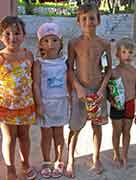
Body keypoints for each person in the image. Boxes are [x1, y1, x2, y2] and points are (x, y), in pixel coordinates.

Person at [65, 3, 112, 178]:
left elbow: (108, 70)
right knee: (75, 127)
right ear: (78, 21)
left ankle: (96, 157)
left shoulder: (104, 44)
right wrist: (77, 88)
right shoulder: (74, 43)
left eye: (92, 18)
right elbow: (69, 68)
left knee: (97, 126)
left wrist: (101, 89)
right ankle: (70, 159)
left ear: (98, 20)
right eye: (84, 19)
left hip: (98, 91)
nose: (88, 22)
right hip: (80, 92)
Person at [0, 16, 37, 180]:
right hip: (5, 107)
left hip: (26, 105)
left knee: (24, 136)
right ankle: (10, 168)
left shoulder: (29, 55)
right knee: (9, 138)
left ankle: (25, 163)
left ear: (24, 35)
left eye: (17, 33)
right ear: (1, 37)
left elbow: (34, 80)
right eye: (7, 34)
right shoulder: (0, 57)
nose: (12, 37)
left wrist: (38, 102)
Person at [33, 22, 71, 178]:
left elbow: (69, 81)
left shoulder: (65, 62)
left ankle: (58, 160)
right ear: (41, 43)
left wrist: (72, 99)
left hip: (61, 103)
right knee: (46, 135)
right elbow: (35, 84)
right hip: (45, 104)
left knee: (59, 134)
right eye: (46, 40)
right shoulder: (38, 63)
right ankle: (46, 161)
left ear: (60, 42)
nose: (51, 44)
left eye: (54, 40)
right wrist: (39, 104)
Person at [109, 38, 136, 168]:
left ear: (134, 55)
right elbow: (108, 90)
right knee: (116, 131)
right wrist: (110, 100)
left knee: (127, 131)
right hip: (116, 105)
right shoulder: (113, 72)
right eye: (124, 52)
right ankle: (116, 154)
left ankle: (125, 155)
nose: (127, 55)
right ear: (117, 54)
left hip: (129, 104)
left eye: (130, 52)